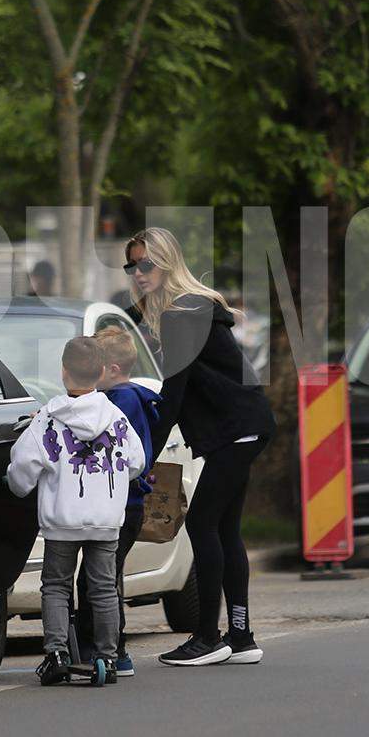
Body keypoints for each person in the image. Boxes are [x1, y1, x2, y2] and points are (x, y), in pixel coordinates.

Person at [124, 227, 275, 667]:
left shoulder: (181, 312)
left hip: (237, 429)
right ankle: (241, 636)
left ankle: (208, 637)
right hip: (244, 426)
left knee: (202, 525)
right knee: (225, 529)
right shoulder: (190, 308)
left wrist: (142, 458)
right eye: (132, 265)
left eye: (146, 263)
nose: (138, 273)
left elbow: (174, 393)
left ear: (167, 262)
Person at [5, 335, 146, 686]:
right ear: (101, 372)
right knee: (103, 589)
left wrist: (17, 486)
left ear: (63, 372)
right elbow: (137, 462)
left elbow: (22, 469)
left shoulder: (48, 419)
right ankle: (108, 657)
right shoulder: (116, 419)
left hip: (60, 520)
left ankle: (56, 654)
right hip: (105, 520)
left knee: (55, 585)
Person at [75, 324, 161, 678]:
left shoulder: (120, 401)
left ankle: (105, 649)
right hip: (126, 504)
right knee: (107, 576)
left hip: (121, 504)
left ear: (110, 370)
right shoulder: (128, 397)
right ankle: (115, 649)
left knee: (96, 579)